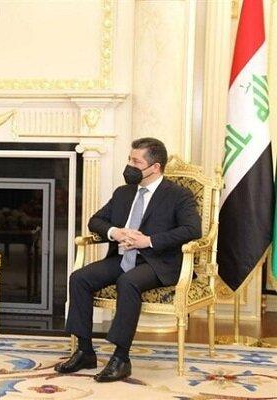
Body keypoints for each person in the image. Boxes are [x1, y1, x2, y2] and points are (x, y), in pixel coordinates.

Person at [55, 137, 201, 382]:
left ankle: (121, 358)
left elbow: (192, 230)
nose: (129, 166)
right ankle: (85, 351)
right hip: (123, 258)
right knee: (79, 278)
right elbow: (95, 221)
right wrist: (116, 232)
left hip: (158, 262)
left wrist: (149, 241)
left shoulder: (178, 195)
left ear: (155, 167)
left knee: (128, 282)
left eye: (136, 162)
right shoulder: (123, 193)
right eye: (129, 160)